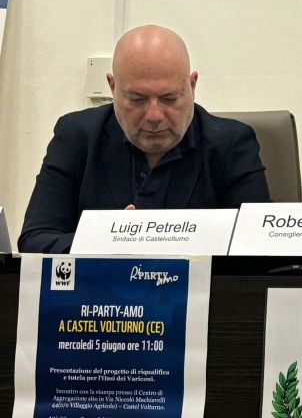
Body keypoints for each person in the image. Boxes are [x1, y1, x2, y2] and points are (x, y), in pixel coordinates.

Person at [18, 25, 270, 253]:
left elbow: (258, 248)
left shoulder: (232, 144)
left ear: (192, 86)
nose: (154, 116)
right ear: (113, 87)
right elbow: (35, 239)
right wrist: (106, 241)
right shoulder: (76, 136)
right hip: (104, 288)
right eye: (137, 99)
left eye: (169, 98)